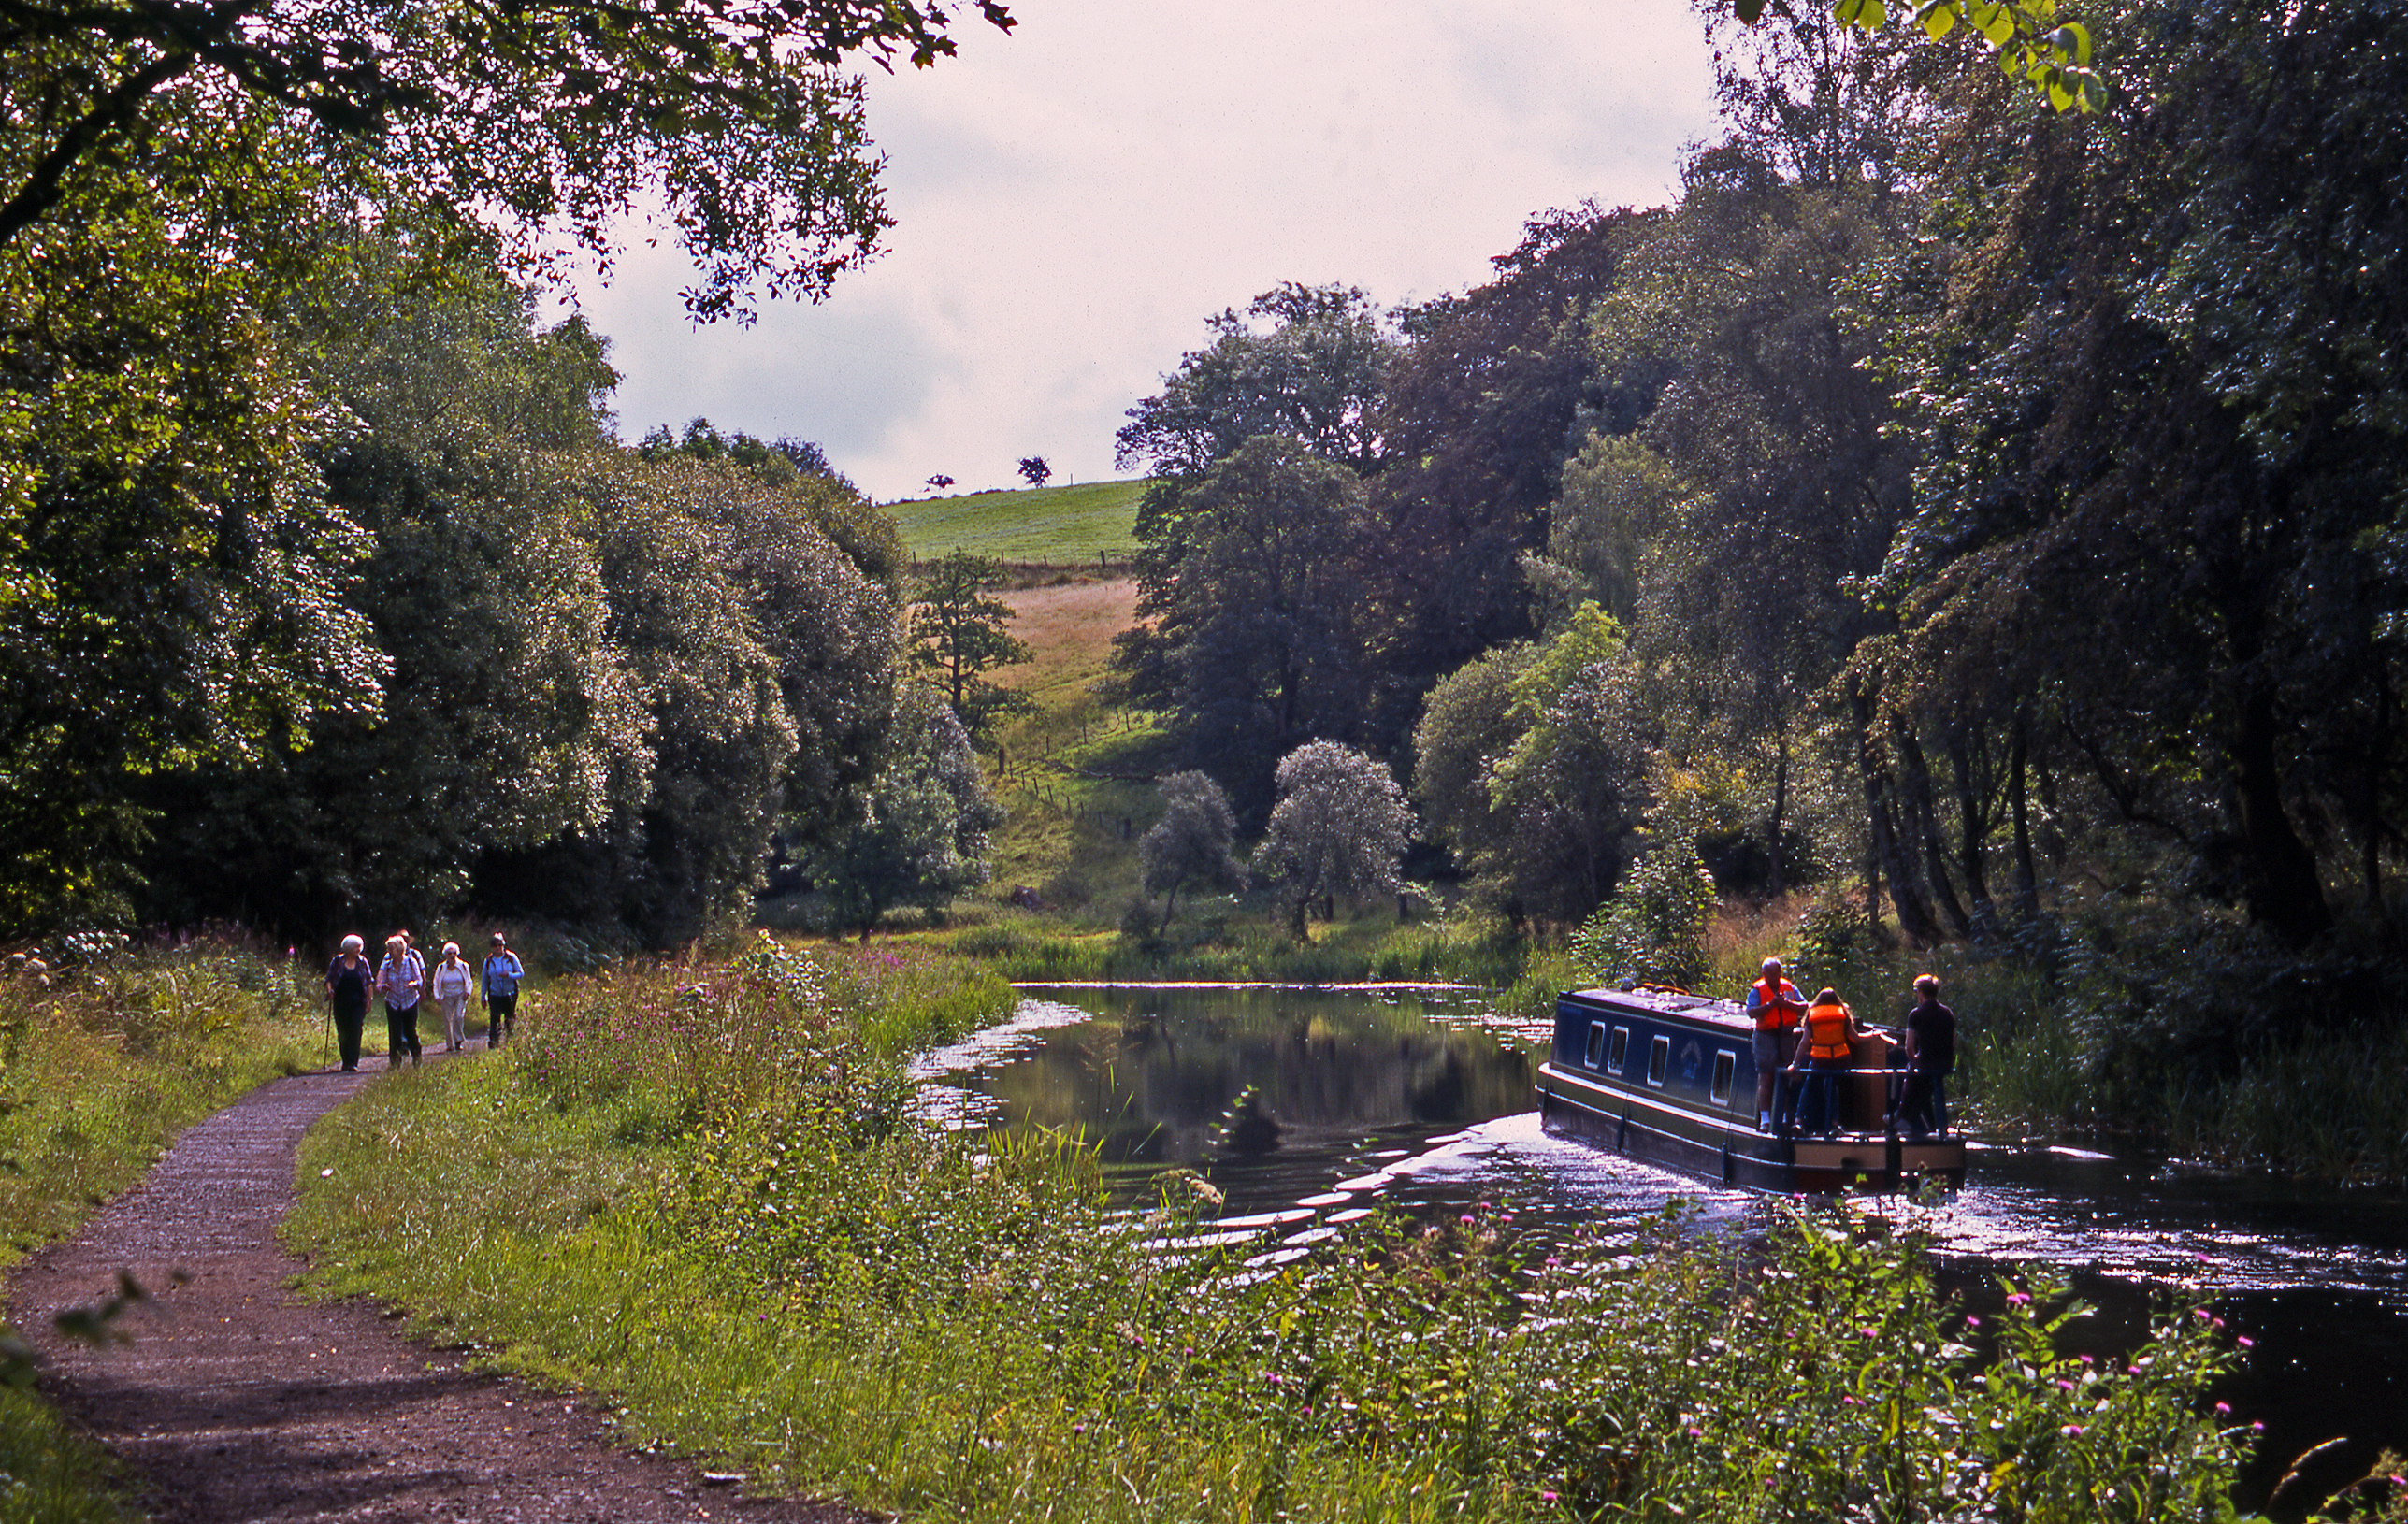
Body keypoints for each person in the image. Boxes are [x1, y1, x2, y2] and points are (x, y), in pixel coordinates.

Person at [1788, 987, 1861, 1137]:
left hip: (1819, 1061)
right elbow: (1856, 1038)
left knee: (1808, 1086)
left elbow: (1804, 1043)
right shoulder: (1842, 1014)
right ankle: (1834, 1124)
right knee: (1831, 1087)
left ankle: (1799, 1121)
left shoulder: (1812, 1015)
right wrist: (1873, 1036)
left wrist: (1794, 1064)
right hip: (1841, 1060)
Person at [1745, 957, 1807, 1133]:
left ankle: (1787, 1118)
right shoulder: (1757, 991)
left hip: (1787, 1035)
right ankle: (1765, 1119)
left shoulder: (1789, 988)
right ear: (1764, 974)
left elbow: (1804, 1006)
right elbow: (1751, 1011)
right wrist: (1771, 1005)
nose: (1776, 976)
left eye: (1778, 972)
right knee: (1767, 1077)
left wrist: (1787, 1004)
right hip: (1765, 1036)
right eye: (1772, 973)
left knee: (1789, 1076)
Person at [1896, 973, 1957, 1139]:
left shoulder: (1915, 1014)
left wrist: (1915, 1061)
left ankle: (1902, 1116)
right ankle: (1926, 1124)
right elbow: (1952, 1043)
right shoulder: (1948, 1013)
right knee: (1926, 1084)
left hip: (1926, 1063)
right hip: (1945, 1063)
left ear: (1920, 992)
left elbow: (1909, 1047)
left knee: (1911, 1071)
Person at [324, 934, 372, 1072]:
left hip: (358, 1003)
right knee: (343, 1031)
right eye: (355, 947)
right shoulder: (337, 961)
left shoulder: (363, 962)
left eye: (359, 947)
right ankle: (346, 1060)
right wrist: (329, 991)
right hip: (340, 1002)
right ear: (348, 948)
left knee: (356, 1030)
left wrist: (369, 1000)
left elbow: (369, 982)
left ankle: (353, 1062)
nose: (358, 949)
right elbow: (329, 979)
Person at [377, 934, 424, 1067]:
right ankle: (395, 1061)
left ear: (399, 949)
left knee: (410, 1031)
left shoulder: (411, 962)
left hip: (409, 1001)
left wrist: (413, 984)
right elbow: (380, 982)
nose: (389, 952)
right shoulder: (387, 965)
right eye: (388, 949)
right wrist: (382, 986)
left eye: (392, 949)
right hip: (393, 1002)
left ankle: (416, 1054)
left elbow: (419, 980)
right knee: (394, 1032)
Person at [428, 942, 474, 1053]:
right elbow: (436, 982)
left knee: (458, 1016)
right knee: (447, 1020)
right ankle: (449, 1044)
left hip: (460, 996)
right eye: (449, 953)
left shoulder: (463, 966)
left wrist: (467, 992)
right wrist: (437, 996)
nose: (452, 956)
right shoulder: (441, 968)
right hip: (446, 996)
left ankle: (458, 1041)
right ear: (445, 955)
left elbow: (469, 981)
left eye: (454, 953)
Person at [482, 932, 525, 1048]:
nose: (498, 948)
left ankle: (510, 1042)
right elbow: (484, 979)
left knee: (509, 1018)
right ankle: (494, 1042)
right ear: (492, 947)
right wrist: (483, 996)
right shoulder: (489, 961)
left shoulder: (511, 958)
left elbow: (521, 974)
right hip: (494, 993)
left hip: (510, 993)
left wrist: (509, 975)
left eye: (500, 945)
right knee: (495, 1017)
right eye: (496, 946)